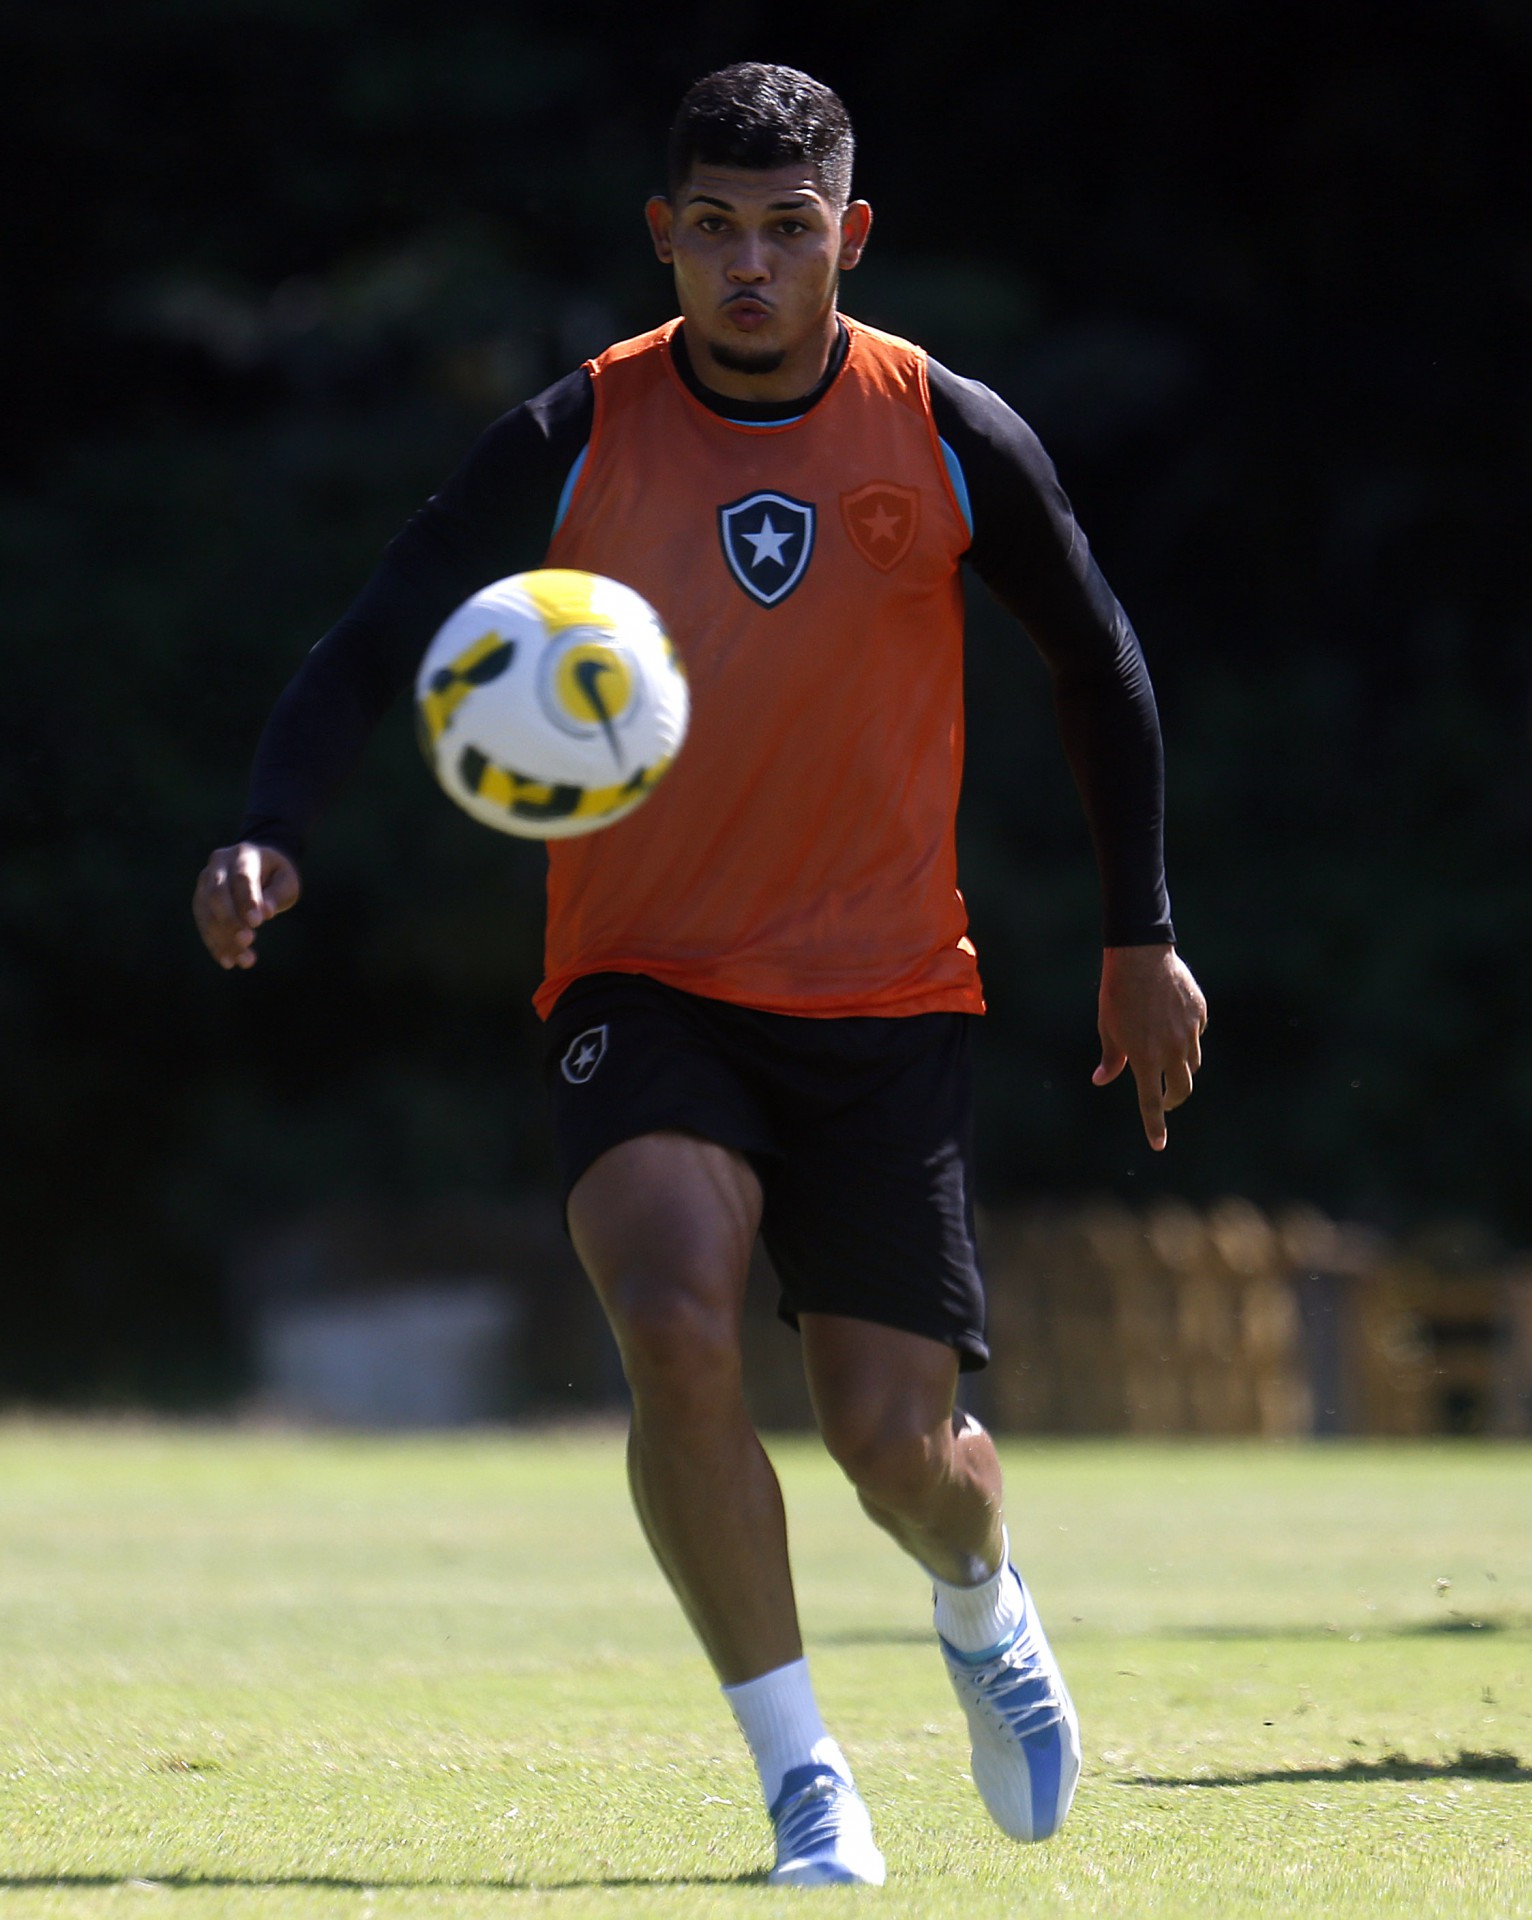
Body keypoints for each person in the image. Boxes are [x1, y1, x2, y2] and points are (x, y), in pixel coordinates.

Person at [193, 62, 1206, 1886]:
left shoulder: (946, 430)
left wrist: (1142, 934)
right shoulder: (576, 432)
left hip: (888, 1000)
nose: (752, 265)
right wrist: (272, 828)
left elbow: (1103, 665)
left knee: (896, 1449)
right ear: (663, 236)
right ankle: (805, 1776)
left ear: (850, 236)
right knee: (670, 1318)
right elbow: (376, 634)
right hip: (643, 981)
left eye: (788, 230)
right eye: (717, 230)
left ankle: (984, 1602)